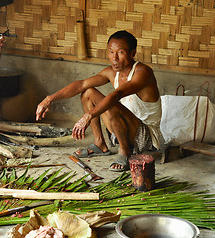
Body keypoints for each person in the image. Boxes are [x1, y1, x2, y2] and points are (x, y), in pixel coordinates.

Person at [36, 30, 162, 172]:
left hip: (146, 137)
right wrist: (49, 99)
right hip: (122, 129)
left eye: (120, 52)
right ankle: (100, 143)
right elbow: (81, 84)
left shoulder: (143, 72)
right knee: (88, 92)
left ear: (132, 53)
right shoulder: (111, 72)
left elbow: (118, 94)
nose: (114, 58)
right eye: (111, 52)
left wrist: (89, 115)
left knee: (113, 102)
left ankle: (125, 151)